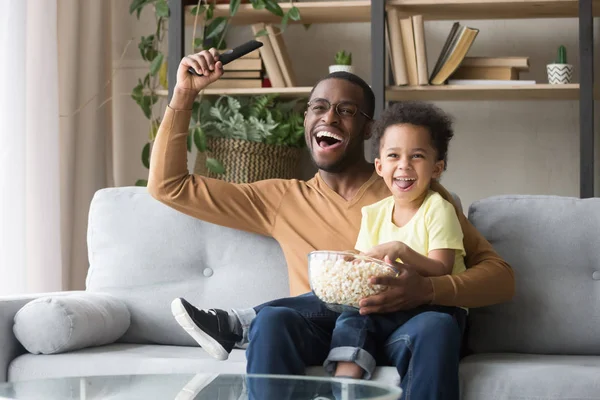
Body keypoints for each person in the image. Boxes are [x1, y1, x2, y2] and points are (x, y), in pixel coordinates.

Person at [148, 48, 515, 399]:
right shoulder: (281, 199)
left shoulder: (413, 192)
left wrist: (428, 291)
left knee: (436, 326)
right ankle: (242, 324)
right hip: (324, 331)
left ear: (370, 129)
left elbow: (500, 278)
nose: (329, 118)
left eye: (346, 110)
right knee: (272, 321)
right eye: (318, 108)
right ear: (306, 120)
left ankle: (238, 323)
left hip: (405, 326)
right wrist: (183, 94)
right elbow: (169, 187)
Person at [318, 101, 467, 381]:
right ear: (379, 165)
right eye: (394, 156)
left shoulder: (438, 208)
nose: (404, 166)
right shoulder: (373, 214)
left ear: (437, 168)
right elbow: (365, 266)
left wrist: (401, 250)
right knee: (354, 314)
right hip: (389, 309)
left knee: (374, 314)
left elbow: (441, 268)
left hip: (435, 307)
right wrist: (349, 262)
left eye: (417, 156)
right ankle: (346, 384)